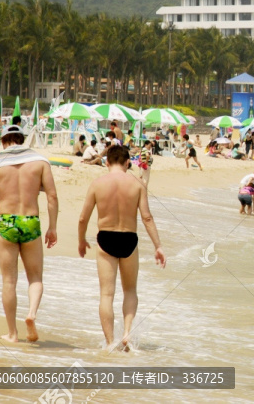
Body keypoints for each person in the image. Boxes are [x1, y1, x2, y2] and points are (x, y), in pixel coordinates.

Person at [0, 125, 59, 343]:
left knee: (9, 281)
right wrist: (52, 227)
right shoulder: (40, 162)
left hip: (6, 223)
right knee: (36, 278)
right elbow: (52, 197)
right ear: (22, 139)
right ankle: (31, 314)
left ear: (3, 142)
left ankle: (12, 333)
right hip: (31, 222)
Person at [78, 145, 165, 351]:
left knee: (106, 295)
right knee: (130, 290)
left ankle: (110, 343)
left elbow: (83, 217)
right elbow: (146, 217)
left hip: (106, 238)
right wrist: (158, 246)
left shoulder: (97, 183)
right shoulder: (138, 184)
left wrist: (81, 240)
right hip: (129, 239)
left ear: (106, 162)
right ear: (128, 162)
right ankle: (126, 333)